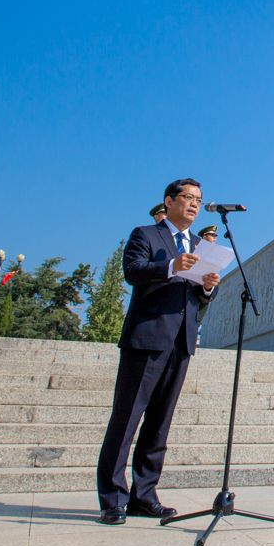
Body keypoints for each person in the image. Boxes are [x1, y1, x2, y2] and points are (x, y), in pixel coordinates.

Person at [96, 178, 221, 524]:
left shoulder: (200, 245)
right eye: (188, 198)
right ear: (169, 201)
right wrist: (171, 267)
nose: (195, 205)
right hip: (146, 340)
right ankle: (112, 499)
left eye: (199, 200)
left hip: (181, 342)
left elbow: (195, 298)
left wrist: (208, 288)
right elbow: (132, 272)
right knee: (126, 421)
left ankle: (144, 495)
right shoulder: (146, 235)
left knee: (159, 425)